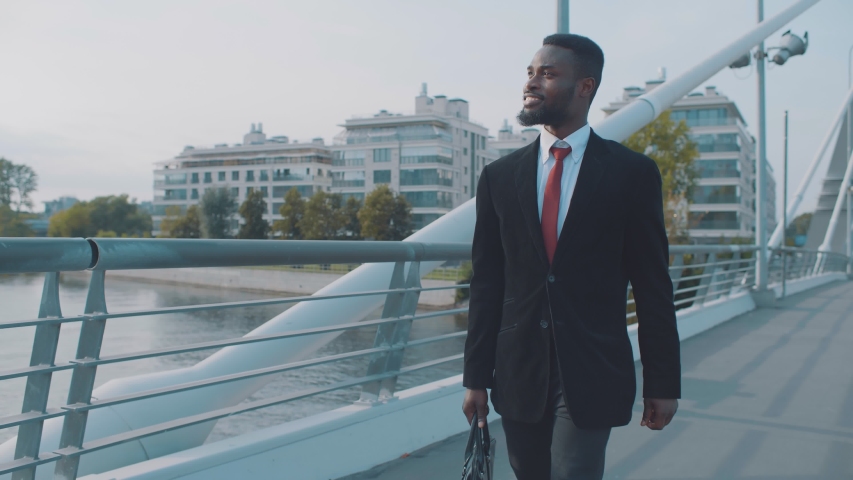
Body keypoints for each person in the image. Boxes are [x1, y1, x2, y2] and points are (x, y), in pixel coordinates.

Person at [461, 33, 681, 480]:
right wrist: (475, 376)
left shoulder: (632, 174)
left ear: (585, 86)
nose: (532, 82)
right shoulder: (500, 177)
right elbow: (487, 283)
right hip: (519, 370)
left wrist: (663, 383)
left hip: (592, 369)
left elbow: (653, 285)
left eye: (548, 73)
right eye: (530, 72)